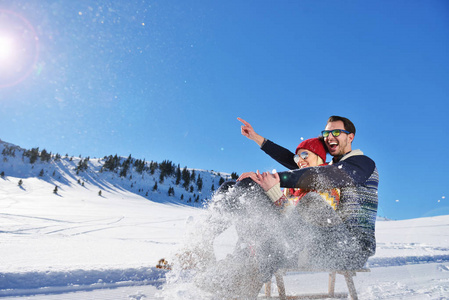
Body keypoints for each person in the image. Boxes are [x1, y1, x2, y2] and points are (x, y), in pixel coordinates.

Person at [238, 116, 379, 270]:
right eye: (326, 134)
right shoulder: (328, 166)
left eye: (336, 132)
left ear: (350, 137)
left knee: (311, 201)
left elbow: (318, 175)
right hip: (318, 244)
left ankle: (270, 258)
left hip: (351, 250)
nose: (330, 137)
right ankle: (230, 259)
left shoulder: (363, 164)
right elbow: (296, 162)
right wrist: (257, 138)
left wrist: (273, 179)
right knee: (248, 190)